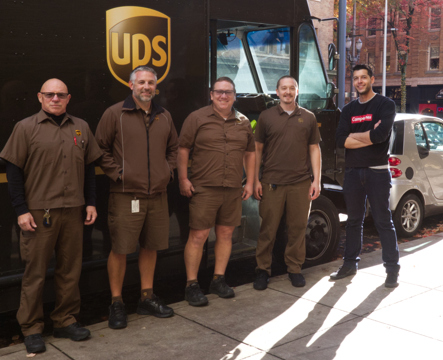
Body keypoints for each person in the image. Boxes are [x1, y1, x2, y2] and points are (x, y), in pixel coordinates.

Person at [0, 79, 103, 354]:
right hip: (38, 213)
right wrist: (21, 210)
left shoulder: (81, 127)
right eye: (50, 94)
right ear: (40, 97)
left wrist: (90, 203)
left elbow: (90, 169)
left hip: (73, 211)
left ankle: (65, 320)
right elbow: (13, 173)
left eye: (60, 95)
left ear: (68, 98)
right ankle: (32, 328)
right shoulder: (25, 128)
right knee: (35, 273)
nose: (55, 99)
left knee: (70, 270)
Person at [95, 66, 179, 329]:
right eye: (141, 82)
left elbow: (174, 148)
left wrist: (167, 171)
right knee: (120, 248)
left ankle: (146, 297)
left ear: (156, 87)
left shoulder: (164, 116)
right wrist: (119, 174)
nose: (146, 87)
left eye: (151, 83)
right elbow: (99, 148)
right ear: (131, 85)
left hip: (157, 194)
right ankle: (117, 302)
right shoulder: (115, 113)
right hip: (125, 194)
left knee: (150, 246)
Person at [178, 77, 255, 306]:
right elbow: (182, 150)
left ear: (234, 95)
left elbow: (250, 153)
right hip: (204, 188)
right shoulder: (196, 118)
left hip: (232, 188)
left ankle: (218, 280)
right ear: (211, 95)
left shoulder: (243, 122)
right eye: (219, 92)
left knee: (225, 235)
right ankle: (191, 285)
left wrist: (249, 182)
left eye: (228, 92)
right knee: (199, 236)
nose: (223, 96)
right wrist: (183, 178)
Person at [332, 64, 400, 287]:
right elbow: (341, 140)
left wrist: (357, 136)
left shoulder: (385, 104)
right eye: (356, 78)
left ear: (372, 79)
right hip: (352, 172)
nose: (360, 81)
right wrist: (368, 135)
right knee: (353, 221)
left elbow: (381, 136)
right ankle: (349, 264)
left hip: (377, 173)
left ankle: (392, 270)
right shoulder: (349, 109)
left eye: (364, 77)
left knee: (383, 221)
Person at [253, 76, 321, 290]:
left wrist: (316, 180)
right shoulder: (266, 117)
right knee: (268, 229)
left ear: (297, 91)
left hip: (300, 183)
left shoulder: (308, 117)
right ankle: (262, 270)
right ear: (277, 91)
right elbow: (257, 149)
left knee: (298, 228)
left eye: (292, 88)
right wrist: (255, 179)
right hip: (272, 182)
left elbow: (314, 149)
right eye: (284, 88)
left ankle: (294, 269)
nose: (288, 92)